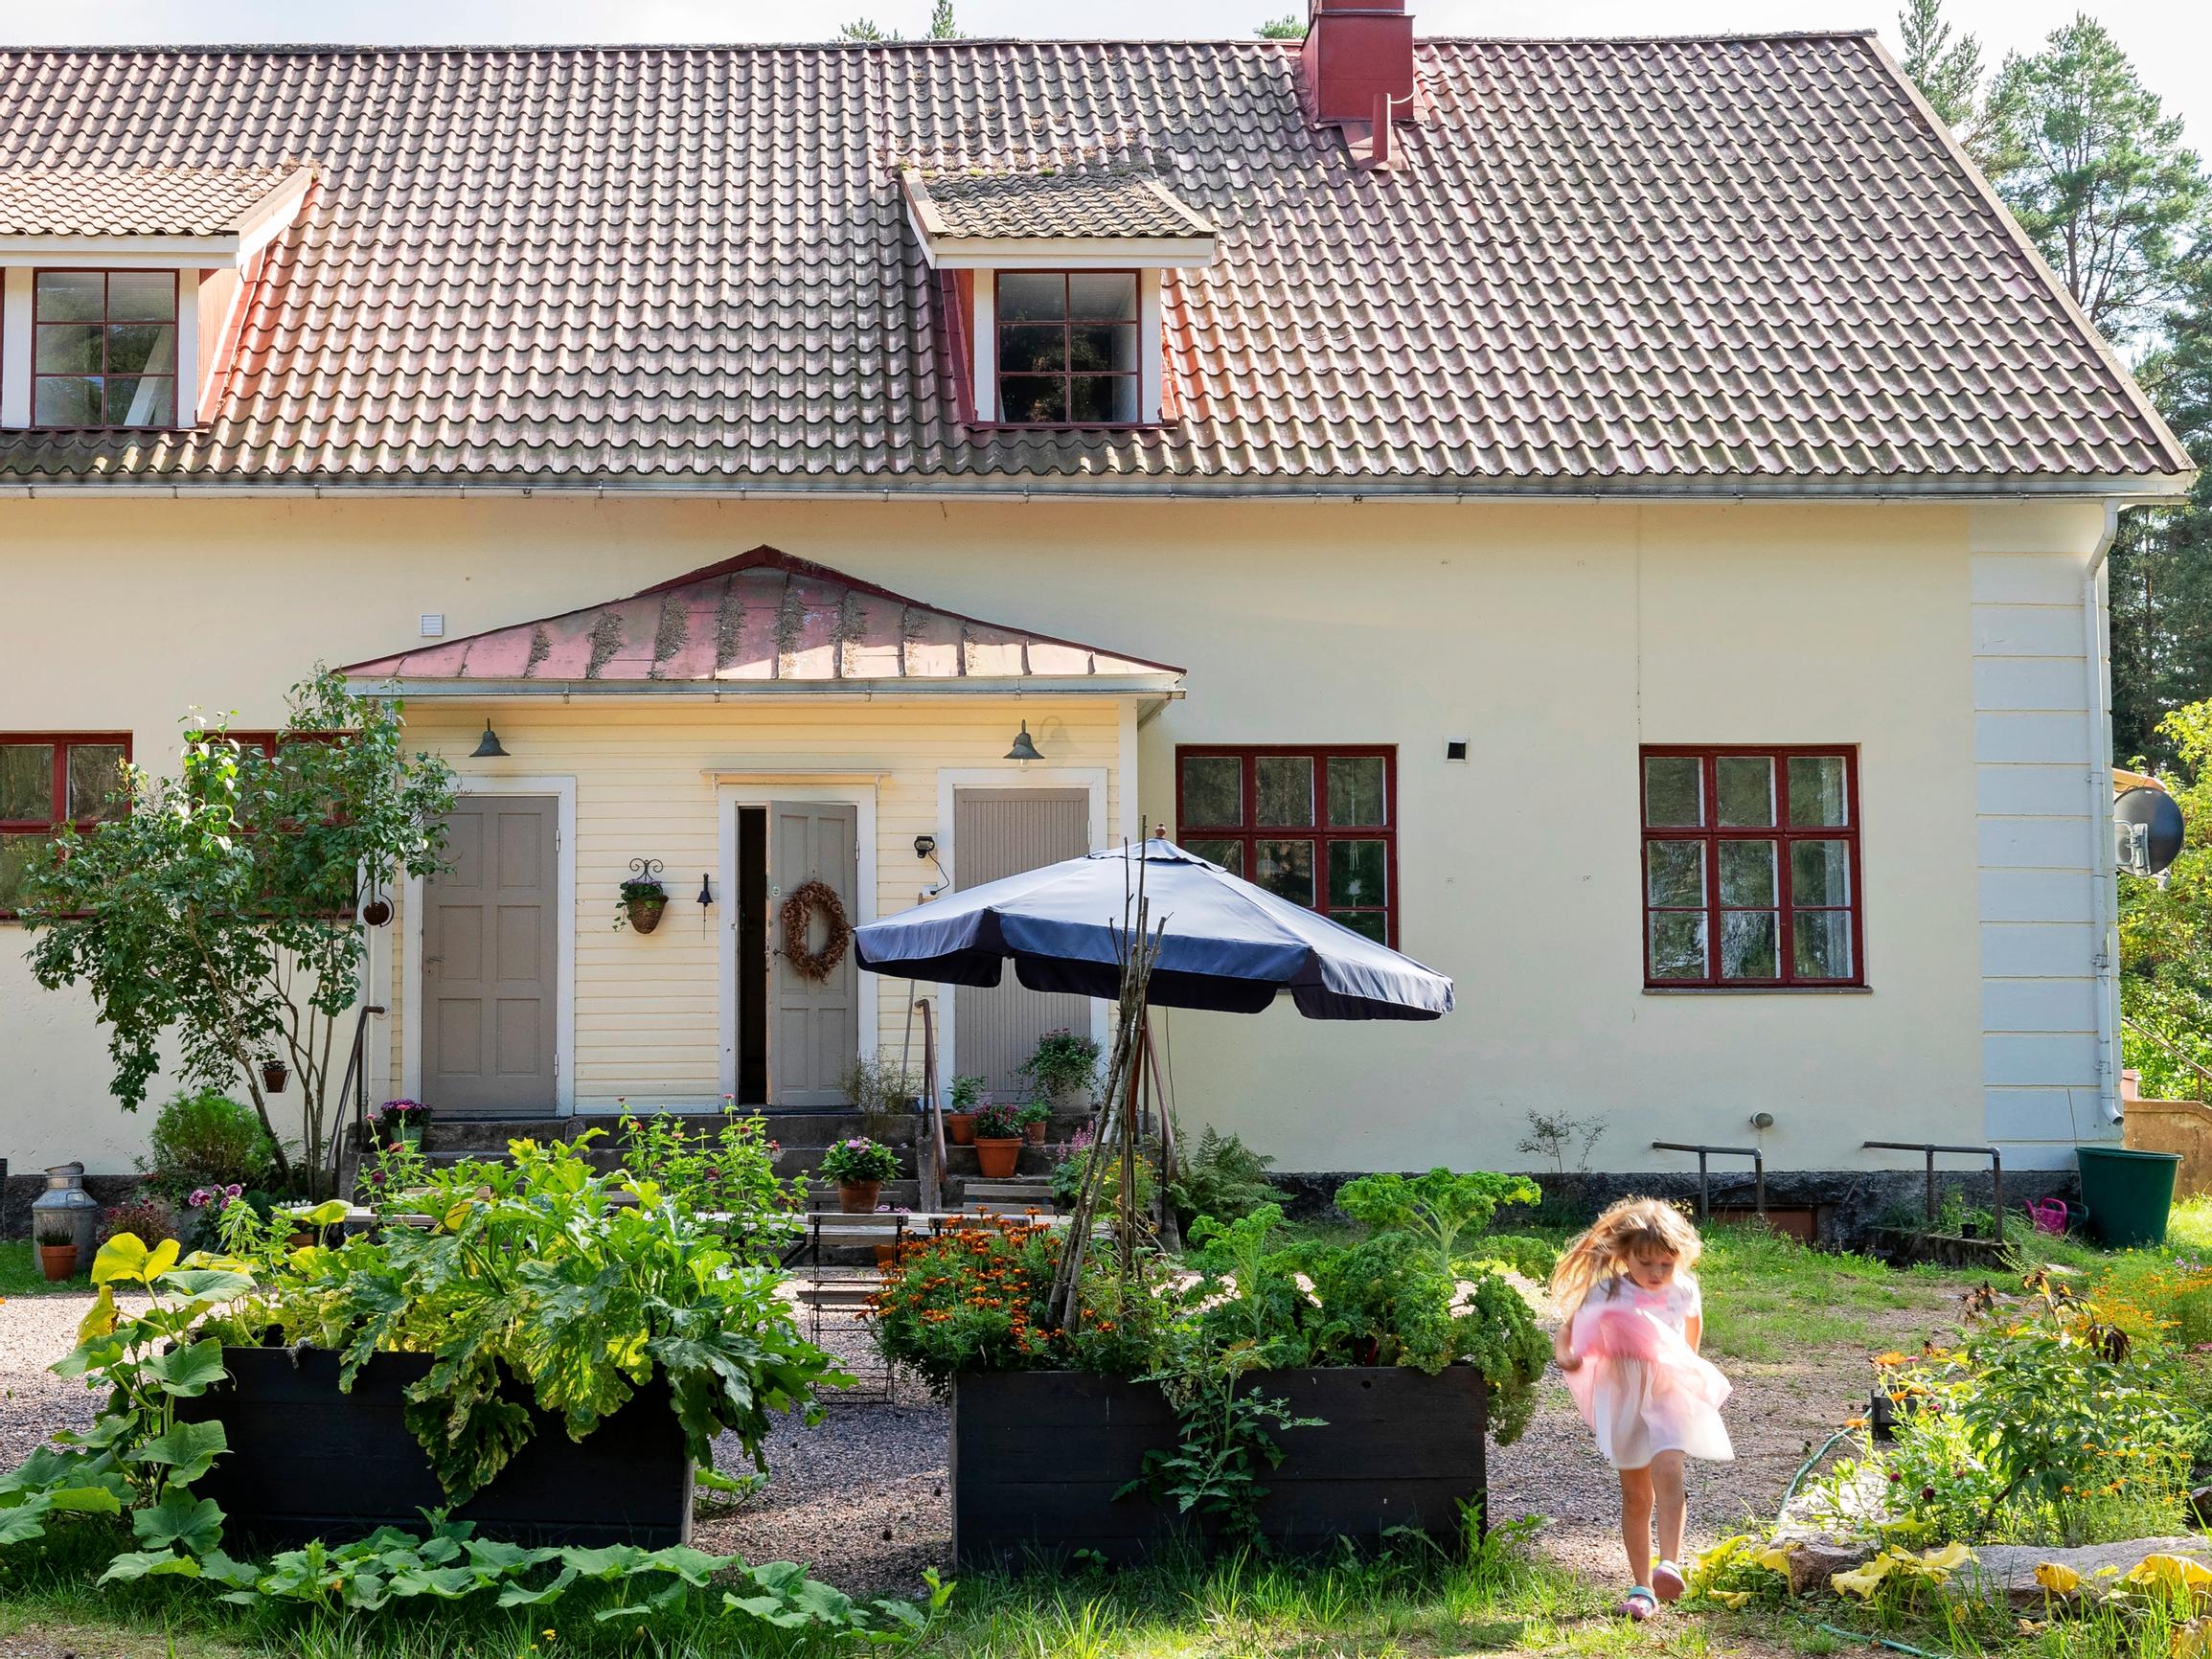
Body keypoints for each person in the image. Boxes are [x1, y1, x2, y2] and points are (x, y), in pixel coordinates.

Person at [1549, 1196, 1734, 1622]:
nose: (1656, 1273)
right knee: (1636, 1495)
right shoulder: (1609, 1291)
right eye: (1646, 1262)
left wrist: (1686, 1376)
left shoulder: (1683, 1290)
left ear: (1680, 1259)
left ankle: (1669, 1564)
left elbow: (1691, 1337)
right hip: (1624, 1394)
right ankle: (1642, 1588)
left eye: (1666, 1264)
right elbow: (1568, 1330)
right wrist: (1565, 1356)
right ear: (1625, 1254)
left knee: (1669, 1470)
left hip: (1668, 1391)